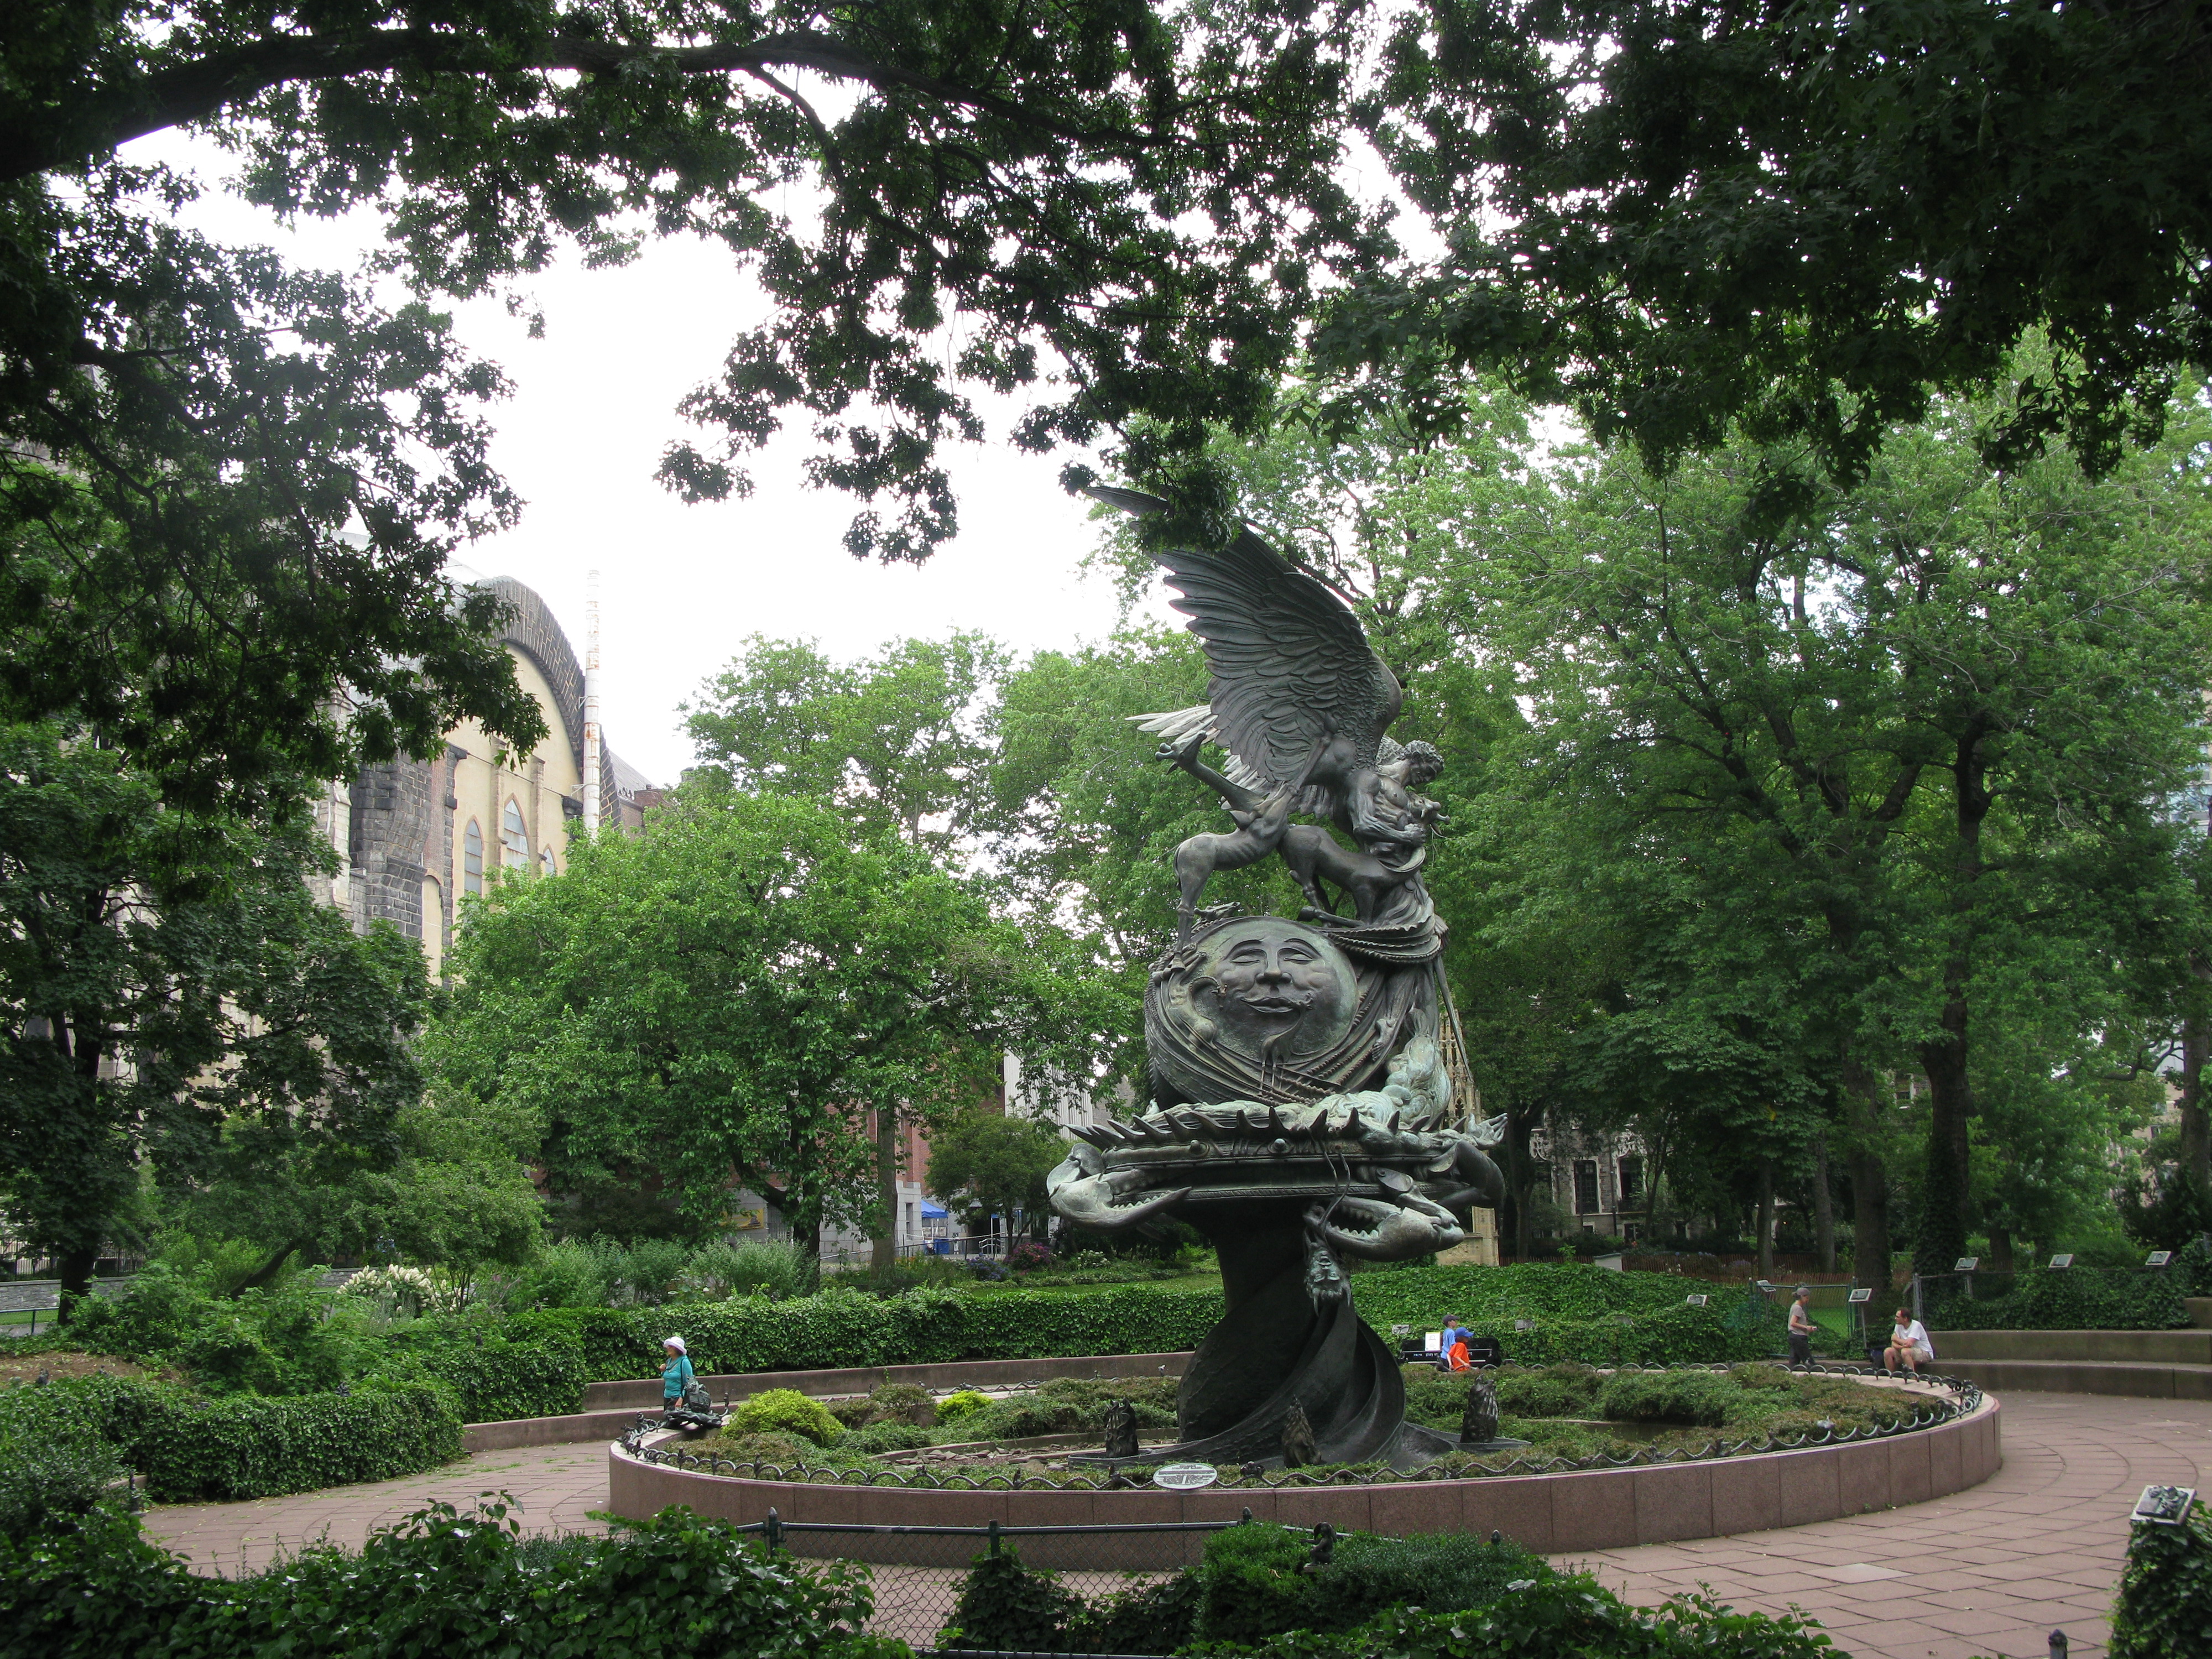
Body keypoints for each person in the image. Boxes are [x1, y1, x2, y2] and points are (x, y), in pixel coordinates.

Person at [1884, 1310, 1934, 1376]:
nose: (1895, 1318)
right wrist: (1901, 1347)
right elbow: (1893, 1344)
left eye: (1898, 1317)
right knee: (1888, 1352)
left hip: (1924, 1353)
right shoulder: (1898, 1325)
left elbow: (1909, 1343)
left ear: (1905, 1319)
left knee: (1905, 1352)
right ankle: (1891, 1377)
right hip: (1904, 1350)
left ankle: (1913, 1378)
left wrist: (1896, 1339)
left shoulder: (1916, 1325)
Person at [660, 1335, 695, 1408]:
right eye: (668, 1346)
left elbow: (689, 1383)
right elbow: (669, 1377)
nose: (668, 1348)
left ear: (678, 1349)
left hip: (678, 1400)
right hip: (667, 1398)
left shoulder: (684, 1362)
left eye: (671, 1346)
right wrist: (663, 1371)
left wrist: (681, 1398)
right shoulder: (669, 1361)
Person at [1787, 1287, 1816, 1368]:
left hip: (1794, 1336)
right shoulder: (1798, 1308)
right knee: (1808, 1359)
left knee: (1794, 1361)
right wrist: (1807, 1328)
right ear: (1802, 1297)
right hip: (1799, 1337)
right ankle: (1816, 1372)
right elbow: (1793, 1323)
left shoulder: (1795, 1306)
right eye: (1807, 1298)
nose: (1808, 1300)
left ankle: (1792, 1372)